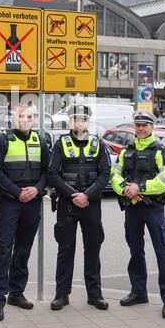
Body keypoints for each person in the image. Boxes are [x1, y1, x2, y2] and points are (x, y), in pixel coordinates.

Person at [110, 109, 165, 319]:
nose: (140, 128)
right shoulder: (126, 150)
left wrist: (139, 188)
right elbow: (114, 174)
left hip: (153, 207)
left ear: (151, 127)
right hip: (132, 207)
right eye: (137, 125)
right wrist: (126, 190)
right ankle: (139, 292)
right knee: (135, 250)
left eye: (144, 125)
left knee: (162, 252)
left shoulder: (160, 150)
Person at [0, 104, 49, 321]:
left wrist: (36, 190)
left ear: (34, 119)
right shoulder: (3, 140)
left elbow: (46, 171)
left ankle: (16, 293)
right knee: (4, 249)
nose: (26, 120)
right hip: (9, 202)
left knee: (23, 249)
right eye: (21, 116)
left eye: (29, 116)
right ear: (14, 119)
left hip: (32, 201)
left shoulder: (40, 140)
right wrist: (16, 192)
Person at [48, 104, 111, 311]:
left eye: (83, 119)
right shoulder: (61, 144)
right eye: (75, 119)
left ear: (88, 121)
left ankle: (95, 295)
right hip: (68, 204)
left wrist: (87, 195)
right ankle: (61, 294)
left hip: (91, 204)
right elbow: (52, 175)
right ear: (70, 122)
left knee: (93, 249)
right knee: (65, 250)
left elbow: (104, 175)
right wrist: (74, 195)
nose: (79, 122)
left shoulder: (98, 143)